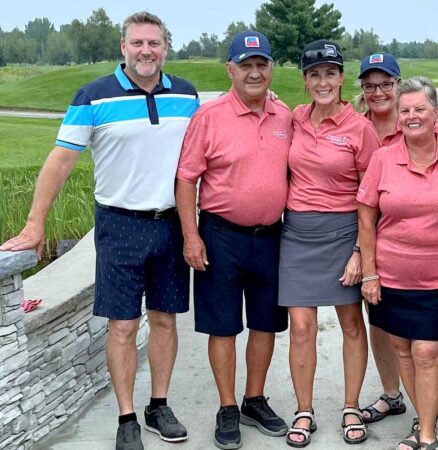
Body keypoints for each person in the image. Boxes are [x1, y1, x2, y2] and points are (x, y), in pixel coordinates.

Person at [1, 12, 199, 450]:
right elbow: (60, 160)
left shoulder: (186, 96)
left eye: (154, 43)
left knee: (165, 320)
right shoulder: (92, 96)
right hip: (119, 224)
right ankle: (127, 417)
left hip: (169, 223)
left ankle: (158, 406)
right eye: (137, 43)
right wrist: (36, 224)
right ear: (122, 47)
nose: (146, 51)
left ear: (166, 47)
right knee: (123, 325)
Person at [175, 30, 291, 450]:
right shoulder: (210, 116)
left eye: (262, 65)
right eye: (246, 65)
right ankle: (227, 407)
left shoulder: (284, 116)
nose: (255, 73)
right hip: (220, 235)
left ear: (271, 69)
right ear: (230, 70)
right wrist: (191, 236)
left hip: (271, 236)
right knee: (223, 326)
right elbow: (187, 178)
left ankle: (253, 399)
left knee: (265, 323)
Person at [279, 39, 380, 448]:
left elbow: (371, 196)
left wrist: (360, 250)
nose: (323, 81)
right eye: (314, 74)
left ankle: (351, 406)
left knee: (352, 324)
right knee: (301, 327)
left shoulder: (361, 129)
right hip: (297, 234)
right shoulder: (295, 119)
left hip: (343, 234)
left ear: (342, 78)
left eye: (331, 73)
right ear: (305, 81)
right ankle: (305, 410)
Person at [358, 76, 438, 450]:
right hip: (390, 276)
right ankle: (423, 419)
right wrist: (369, 273)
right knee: (402, 349)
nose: (412, 116)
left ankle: (428, 435)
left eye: (420, 109)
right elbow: (366, 218)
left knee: (427, 352)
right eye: (405, 111)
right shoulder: (383, 159)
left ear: (436, 114)